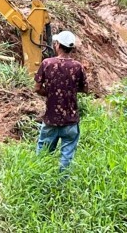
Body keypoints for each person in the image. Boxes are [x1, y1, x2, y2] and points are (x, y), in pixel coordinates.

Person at [34, 30, 88, 171]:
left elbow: (37, 88)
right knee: (67, 157)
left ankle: (40, 179)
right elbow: (85, 89)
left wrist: (51, 93)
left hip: (51, 119)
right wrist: (68, 91)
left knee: (43, 154)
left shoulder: (47, 64)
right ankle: (62, 184)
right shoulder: (78, 67)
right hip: (70, 121)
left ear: (57, 45)